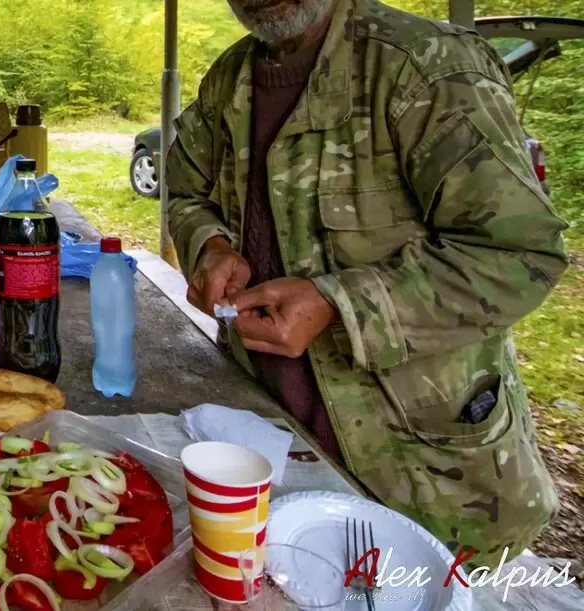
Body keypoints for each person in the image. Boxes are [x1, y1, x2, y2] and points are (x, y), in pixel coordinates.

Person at [167, 0, 566, 568]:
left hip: (423, 478)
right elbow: (186, 192)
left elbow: (519, 254)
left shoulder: (428, 66)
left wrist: (340, 304)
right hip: (274, 447)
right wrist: (210, 245)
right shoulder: (229, 82)